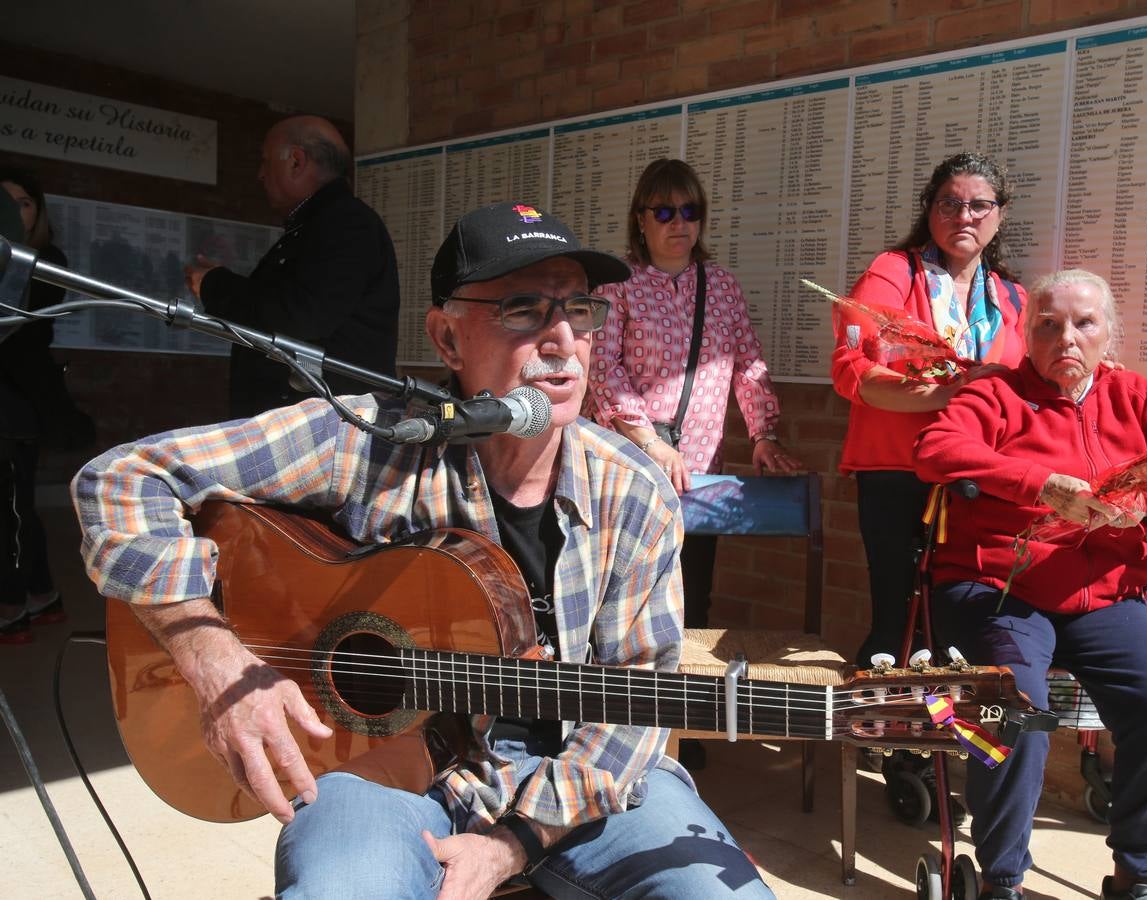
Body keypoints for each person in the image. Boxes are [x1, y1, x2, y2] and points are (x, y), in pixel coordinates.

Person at [76, 201, 774, 899]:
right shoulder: (369, 438)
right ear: (447, 339)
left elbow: (632, 708)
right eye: (523, 309)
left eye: (579, 311)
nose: (563, 339)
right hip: (380, 767)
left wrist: (513, 844)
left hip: (577, 772)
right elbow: (119, 480)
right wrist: (215, 660)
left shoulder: (635, 492)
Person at [913, 270, 1147, 900]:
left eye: (1084, 323)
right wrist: (1041, 485)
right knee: (1017, 716)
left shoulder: (1132, 395)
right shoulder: (998, 396)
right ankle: (1002, 877)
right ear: (1026, 334)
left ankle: (1140, 875)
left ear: (1109, 334)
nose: (1066, 336)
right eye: (1048, 323)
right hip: (998, 591)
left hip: (1106, 595)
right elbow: (935, 449)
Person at [587, 158, 804, 631]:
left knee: (690, 596)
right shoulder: (616, 284)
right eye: (664, 212)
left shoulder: (721, 286)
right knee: (623, 596)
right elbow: (602, 367)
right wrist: (650, 441)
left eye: (690, 211)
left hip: (699, 468)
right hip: (630, 461)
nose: (679, 223)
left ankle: (686, 699)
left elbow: (748, 365)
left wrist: (763, 434)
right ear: (640, 220)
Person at [832, 152, 1028, 671]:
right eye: (950, 203)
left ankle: (941, 743)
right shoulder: (895, 273)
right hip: (898, 469)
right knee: (897, 627)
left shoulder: (1011, 296)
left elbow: (1033, 375)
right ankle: (884, 743)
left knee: (952, 631)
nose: (965, 216)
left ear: (1000, 213)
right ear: (929, 209)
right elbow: (856, 371)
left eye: (980, 205)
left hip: (973, 477)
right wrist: (956, 389)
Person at [184, 115, 400, 420]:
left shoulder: (346, 223)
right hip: (310, 424)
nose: (260, 174)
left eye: (265, 161)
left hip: (325, 429)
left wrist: (214, 285)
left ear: (296, 161)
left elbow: (300, 316)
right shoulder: (321, 223)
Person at [0, 168, 92, 642]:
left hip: (18, 403)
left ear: (38, 213)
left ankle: (19, 603)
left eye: (25, 204)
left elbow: (20, 329)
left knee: (14, 508)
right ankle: (38, 594)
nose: (15, 213)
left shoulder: (44, 260)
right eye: (6, 203)